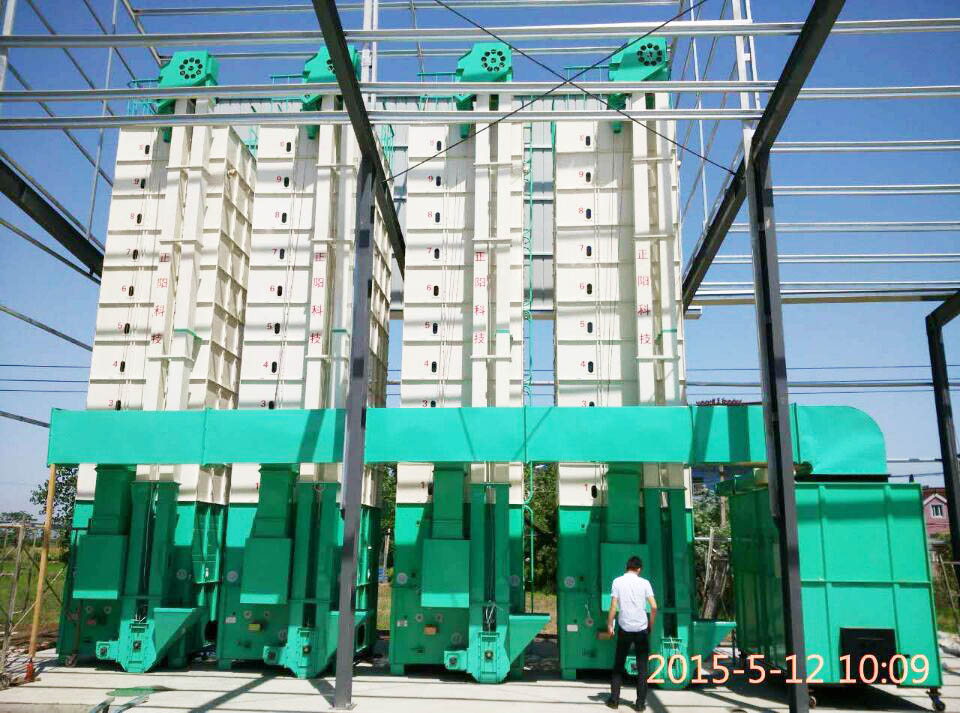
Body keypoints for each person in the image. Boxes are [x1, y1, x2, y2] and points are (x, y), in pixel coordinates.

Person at [605, 556, 657, 711]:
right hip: (641, 629)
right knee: (642, 669)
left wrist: (609, 625)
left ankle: (614, 700)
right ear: (639, 569)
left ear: (627, 567)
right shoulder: (645, 583)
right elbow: (654, 606)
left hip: (624, 628)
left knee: (618, 665)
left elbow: (613, 606)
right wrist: (650, 625)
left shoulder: (617, 582)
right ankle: (640, 704)